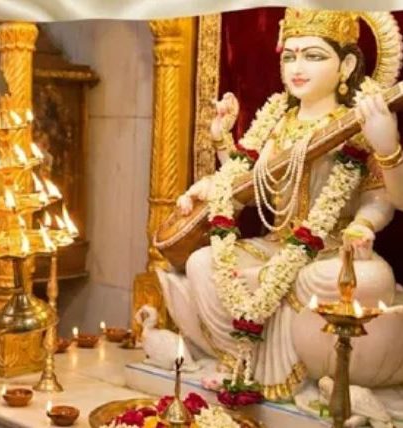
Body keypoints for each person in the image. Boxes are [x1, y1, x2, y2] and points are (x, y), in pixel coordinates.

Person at [159, 9, 403, 402]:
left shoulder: (358, 123)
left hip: (333, 251)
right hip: (276, 243)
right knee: (203, 263)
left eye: (314, 56)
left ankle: (298, 369)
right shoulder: (276, 122)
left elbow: (386, 198)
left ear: (347, 65)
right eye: (289, 56)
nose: (297, 68)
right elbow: (253, 185)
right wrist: (223, 144)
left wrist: (368, 211)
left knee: (370, 281)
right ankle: (240, 358)